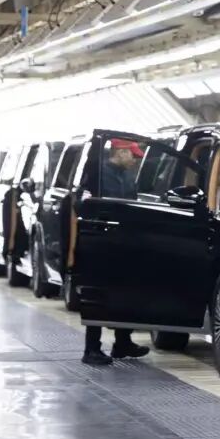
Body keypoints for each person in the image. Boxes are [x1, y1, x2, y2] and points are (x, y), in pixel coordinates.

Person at [82, 139, 151, 366]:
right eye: (132, 155)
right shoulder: (99, 175)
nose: (135, 160)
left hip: (124, 242)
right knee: (98, 295)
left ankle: (123, 342)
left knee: (125, 292)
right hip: (101, 242)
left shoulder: (128, 177)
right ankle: (91, 348)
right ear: (120, 152)